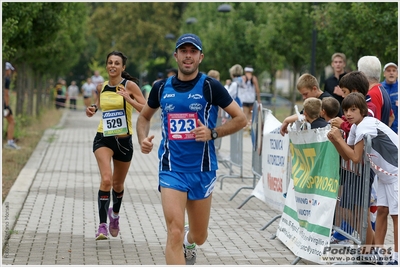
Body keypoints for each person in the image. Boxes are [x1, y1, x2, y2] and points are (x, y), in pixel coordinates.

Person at [136, 33, 247, 265]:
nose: (188, 56)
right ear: (176, 55)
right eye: (183, 51)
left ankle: (190, 241)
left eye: (193, 52)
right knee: (173, 232)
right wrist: (142, 139)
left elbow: (240, 119)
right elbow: (144, 117)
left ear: (200, 57)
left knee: (199, 235)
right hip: (171, 168)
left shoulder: (210, 86)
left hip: (202, 169)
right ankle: (181, 242)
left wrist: (212, 133)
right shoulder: (160, 88)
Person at [327, 92, 398, 265]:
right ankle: (378, 253)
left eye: (353, 109)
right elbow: (347, 156)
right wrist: (336, 141)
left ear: (363, 110)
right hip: (385, 176)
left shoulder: (365, 125)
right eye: (346, 110)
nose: (349, 114)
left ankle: (396, 258)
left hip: (396, 173)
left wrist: (338, 138)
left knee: (396, 217)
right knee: (382, 212)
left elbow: (356, 157)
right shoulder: (354, 127)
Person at [86, 51, 146, 240]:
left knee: (118, 184)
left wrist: (129, 98)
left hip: (123, 141)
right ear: (106, 65)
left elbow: (146, 109)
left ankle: (115, 215)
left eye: (117, 63)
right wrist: (93, 109)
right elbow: (98, 104)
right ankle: (102, 225)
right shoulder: (100, 86)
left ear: (123, 67)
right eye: (110, 62)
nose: (113, 65)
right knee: (106, 179)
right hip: (103, 137)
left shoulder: (130, 85)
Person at [357, 56, 393, 126]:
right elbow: (391, 117)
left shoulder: (371, 94)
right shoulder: (381, 89)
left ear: (362, 73)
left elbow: (373, 125)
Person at [3, 62, 20, 150]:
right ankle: (10, 141)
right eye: (10, 70)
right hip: (3, 104)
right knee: (12, 121)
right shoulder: (6, 80)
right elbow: (6, 94)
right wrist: (6, 106)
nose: (10, 72)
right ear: (7, 70)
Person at [381, 62, 398, 133]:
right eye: (388, 71)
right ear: (384, 74)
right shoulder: (380, 87)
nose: (391, 73)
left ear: (397, 74)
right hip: (384, 128)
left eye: (394, 71)